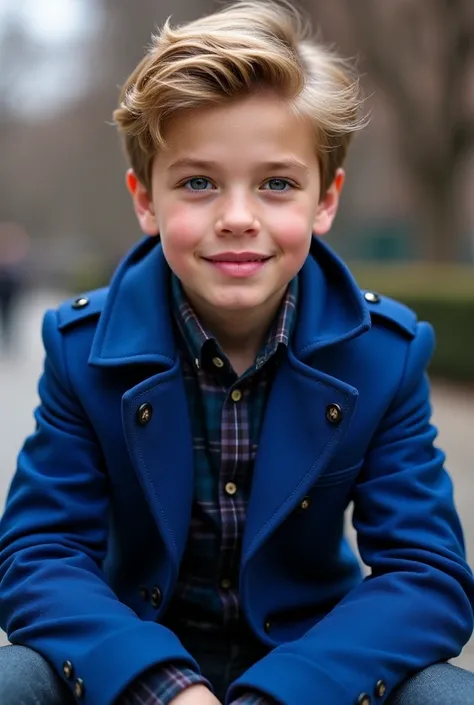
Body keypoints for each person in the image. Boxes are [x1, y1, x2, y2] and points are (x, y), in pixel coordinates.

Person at [0, 2, 473, 704]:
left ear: (325, 201)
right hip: (134, 653)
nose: (238, 216)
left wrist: (289, 688)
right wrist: (162, 684)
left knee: (444, 694)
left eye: (277, 183)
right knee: (15, 677)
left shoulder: (383, 356)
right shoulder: (81, 350)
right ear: (146, 200)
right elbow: (40, 555)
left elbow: (426, 574)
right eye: (198, 182)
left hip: (314, 662)